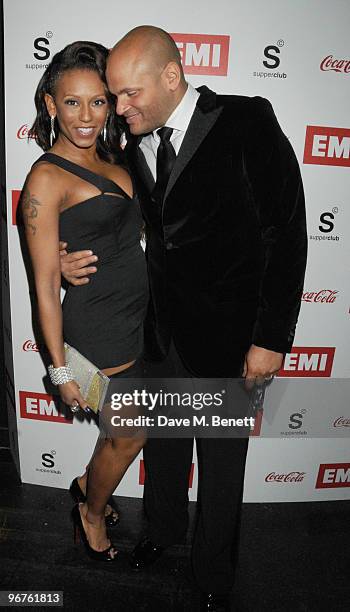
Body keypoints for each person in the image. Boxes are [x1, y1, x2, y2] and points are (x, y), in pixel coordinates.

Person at [60, 26, 307, 610]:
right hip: (160, 332)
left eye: (128, 94)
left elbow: (287, 233)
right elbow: (101, 214)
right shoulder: (129, 142)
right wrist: (64, 259)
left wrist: (271, 338)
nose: (119, 109)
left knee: (221, 466)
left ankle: (215, 576)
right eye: (112, 97)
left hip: (230, 339)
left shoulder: (247, 120)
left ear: (172, 77)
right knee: (166, 447)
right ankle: (162, 532)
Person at [22, 41, 149, 562]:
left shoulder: (118, 158)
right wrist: (59, 371)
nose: (86, 116)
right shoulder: (45, 178)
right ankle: (90, 512)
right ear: (51, 104)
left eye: (98, 101)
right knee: (132, 434)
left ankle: (84, 482)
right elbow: (44, 289)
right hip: (99, 331)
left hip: (139, 321)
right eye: (72, 103)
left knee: (122, 432)